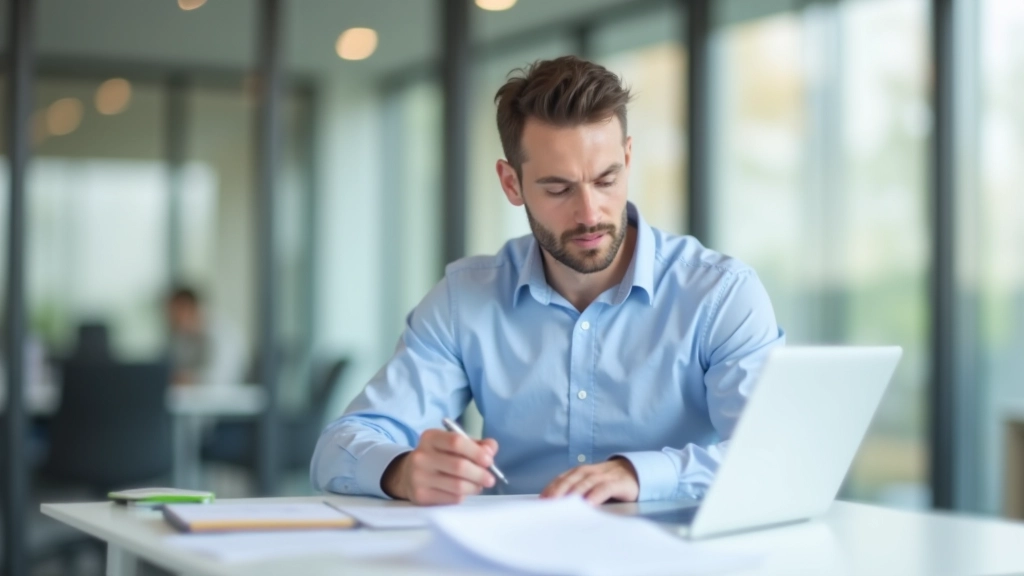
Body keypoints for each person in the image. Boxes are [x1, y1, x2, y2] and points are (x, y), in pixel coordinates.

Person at [311, 56, 784, 506]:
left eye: (606, 180)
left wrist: (638, 475)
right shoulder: (465, 299)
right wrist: (403, 471)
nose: (590, 213)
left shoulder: (720, 294)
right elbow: (338, 449)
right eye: (558, 188)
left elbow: (774, 456)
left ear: (628, 157)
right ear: (511, 184)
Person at [166, 286, 243, 388]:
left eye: (176, 315)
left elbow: (222, 378)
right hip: (195, 399)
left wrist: (190, 379)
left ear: (189, 309)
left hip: (228, 398)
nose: (172, 322)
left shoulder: (224, 334)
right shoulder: (183, 339)